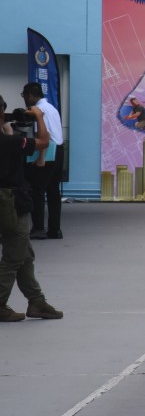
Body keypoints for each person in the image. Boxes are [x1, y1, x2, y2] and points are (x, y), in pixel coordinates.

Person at [0, 97, 63, 321]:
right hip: (11, 202)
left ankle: (37, 301)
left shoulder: (8, 141)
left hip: (7, 203)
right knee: (14, 257)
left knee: (24, 254)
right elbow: (44, 142)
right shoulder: (11, 143)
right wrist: (38, 117)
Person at [22, 83, 64, 241]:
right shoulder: (52, 108)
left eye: (24, 95)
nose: (25, 99)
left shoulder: (39, 110)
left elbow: (43, 135)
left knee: (37, 191)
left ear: (31, 95)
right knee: (53, 192)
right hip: (59, 150)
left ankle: (38, 228)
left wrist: (41, 158)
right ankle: (55, 230)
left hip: (47, 151)